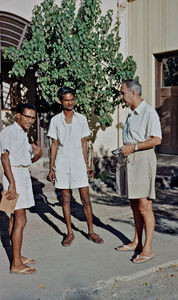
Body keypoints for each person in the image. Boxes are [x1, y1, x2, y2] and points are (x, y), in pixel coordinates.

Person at [47, 86, 103, 246]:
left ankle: (91, 231)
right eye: (66, 100)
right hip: (62, 163)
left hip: (78, 163)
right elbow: (54, 144)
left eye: (72, 99)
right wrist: (51, 168)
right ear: (60, 101)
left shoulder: (81, 119)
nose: (70, 102)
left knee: (85, 198)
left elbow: (83, 142)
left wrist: (86, 165)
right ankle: (70, 233)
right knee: (65, 199)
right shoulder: (55, 121)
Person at [115, 79, 162, 263]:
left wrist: (133, 147)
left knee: (144, 206)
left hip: (143, 160)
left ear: (133, 93)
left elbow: (157, 139)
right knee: (134, 204)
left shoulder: (149, 112)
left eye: (123, 93)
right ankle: (137, 242)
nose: (121, 96)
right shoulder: (131, 114)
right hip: (130, 160)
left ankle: (148, 249)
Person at [0, 103, 43, 274]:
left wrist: (37, 155)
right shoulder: (10, 131)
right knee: (21, 219)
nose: (30, 120)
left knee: (13, 219)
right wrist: (11, 182)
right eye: (27, 116)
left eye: (33, 117)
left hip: (21, 175)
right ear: (18, 115)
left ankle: (16, 256)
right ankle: (16, 264)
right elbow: (5, 157)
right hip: (14, 177)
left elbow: (26, 160)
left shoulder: (23, 134)